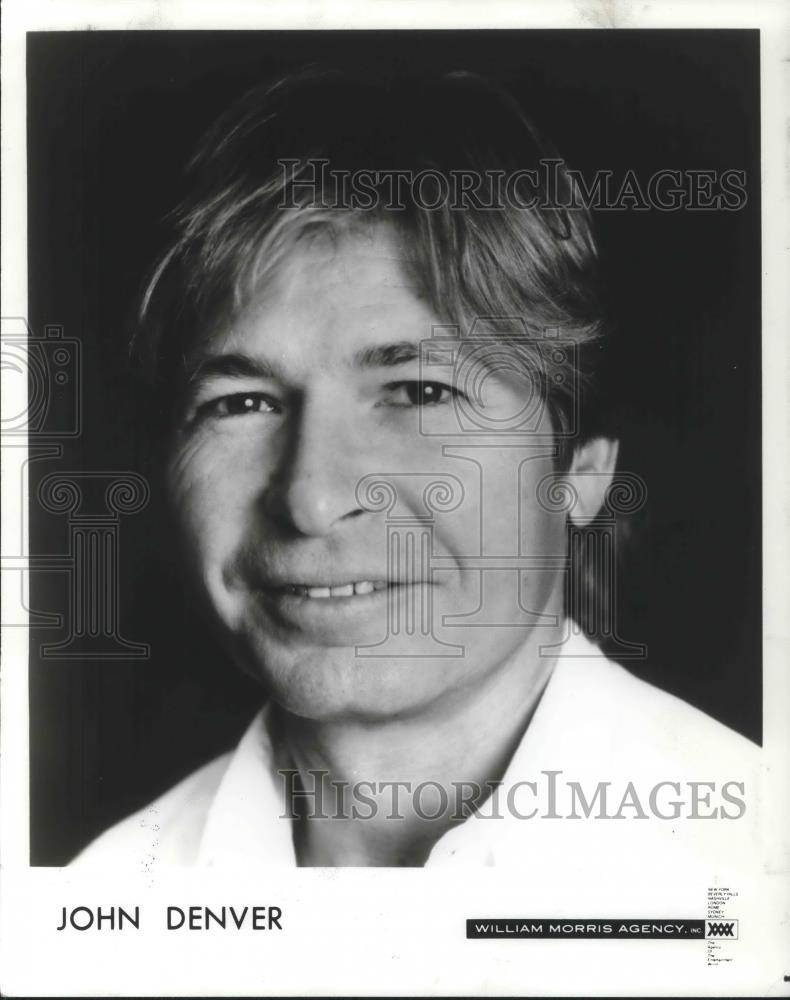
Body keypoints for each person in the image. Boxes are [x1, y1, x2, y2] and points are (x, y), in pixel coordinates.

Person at [74, 68, 758, 870]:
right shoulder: (101, 894)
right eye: (243, 403)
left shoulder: (753, 865)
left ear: (582, 466)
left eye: (419, 390)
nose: (313, 498)